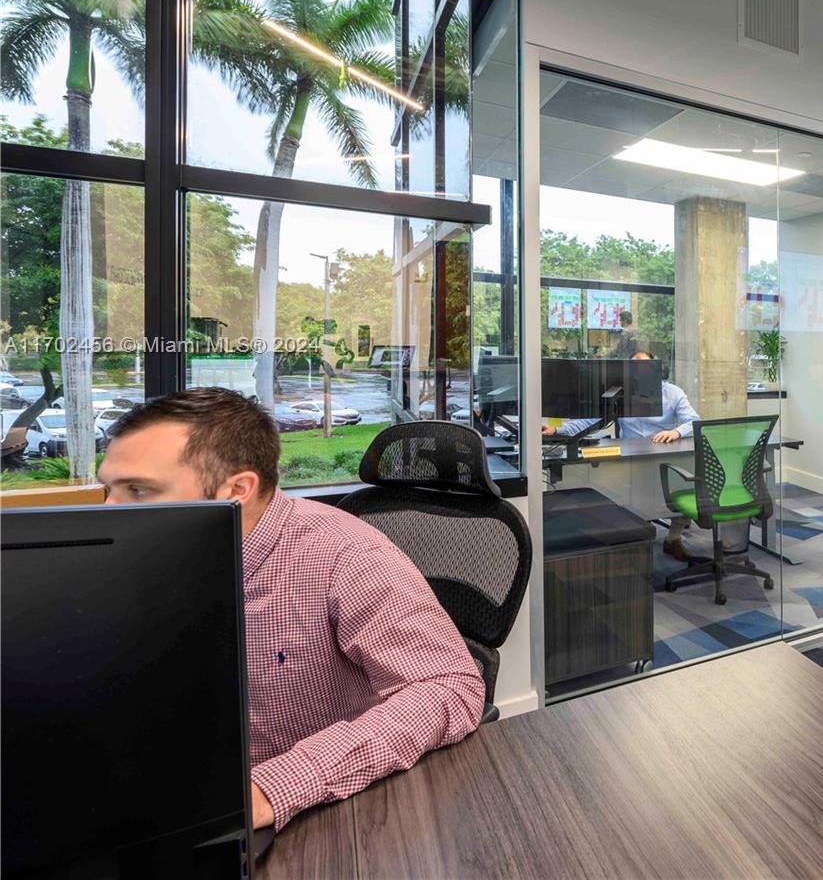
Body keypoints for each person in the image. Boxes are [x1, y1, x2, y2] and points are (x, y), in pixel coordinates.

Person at [97, 388, 485, 831]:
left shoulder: (346, 556)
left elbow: (449, 689)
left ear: (236, 490)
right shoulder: (142, 559)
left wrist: (275, 786)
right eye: (108, 489)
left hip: (323, 817)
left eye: (139, 490)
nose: (109, 512)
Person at [541, 351, 704, 561]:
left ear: (655, 370)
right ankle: (628, 537)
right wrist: (557, 430)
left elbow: (694, 421)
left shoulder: (672, 392)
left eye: (645, 366)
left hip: (663, 452)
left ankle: (673, 538)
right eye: (634, 367)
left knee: (682, 476)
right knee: (609, 487)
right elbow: (590, 420)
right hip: (629, 456)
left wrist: (675, 432)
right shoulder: (620, 393)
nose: (640, 372)